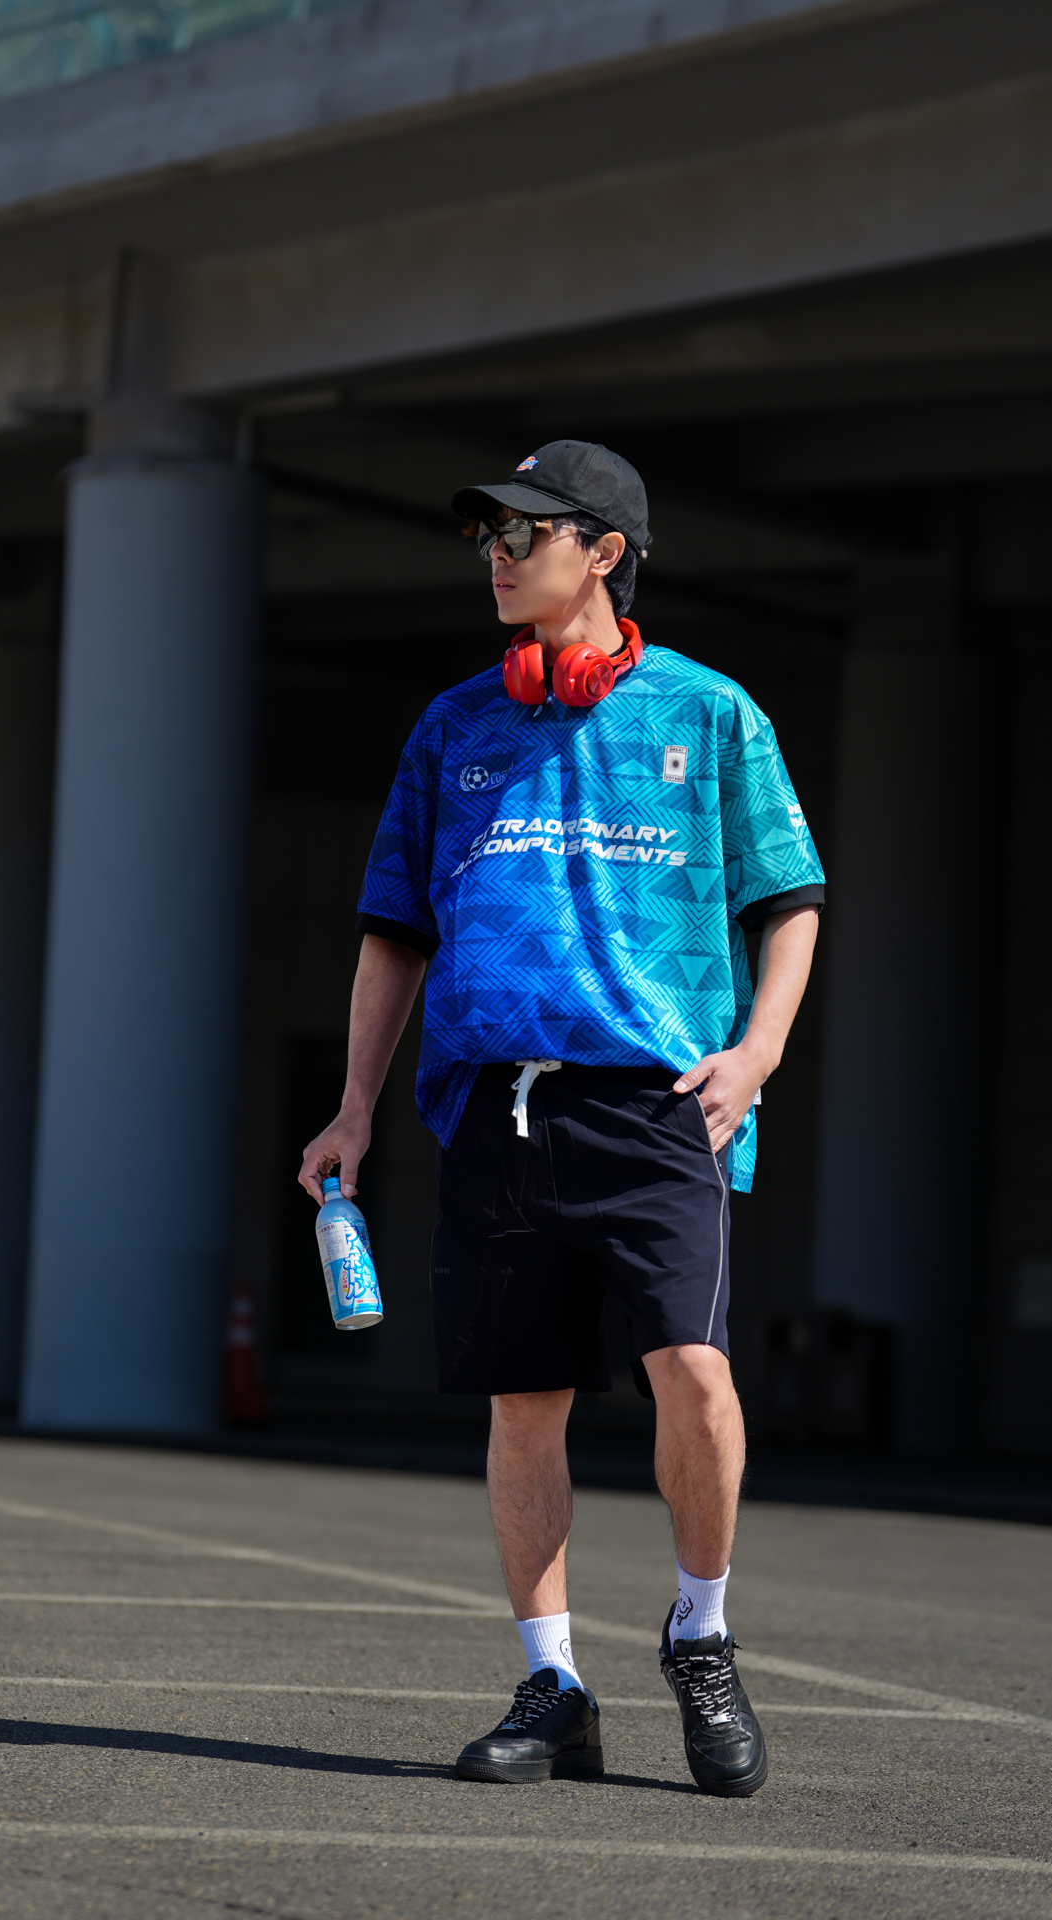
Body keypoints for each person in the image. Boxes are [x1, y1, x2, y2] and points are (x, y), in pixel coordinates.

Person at [297, 440, 822, 1798]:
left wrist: (757, 1054)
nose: (497, 554)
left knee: (692, 1373)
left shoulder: (711, 712)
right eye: (488, 535)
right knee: (523, 1401)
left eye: (525, 533)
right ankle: (553, 1685)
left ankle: (700, 1638)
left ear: (605, 552)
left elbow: (789, 902)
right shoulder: (452, 726)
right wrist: (353, 1108)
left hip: (658, 1104)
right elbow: (393, 933)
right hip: (497, 1105)